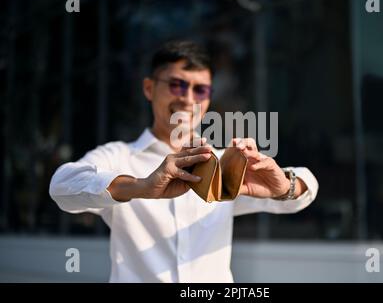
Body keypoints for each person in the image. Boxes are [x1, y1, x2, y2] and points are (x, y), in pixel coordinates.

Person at [49, 40, 319, 282]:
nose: (188, 99)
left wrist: (284, 186)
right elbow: (61, 187)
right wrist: (140, 186)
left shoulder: (226, 162)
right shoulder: (120, 156)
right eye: (177, 85)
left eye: (200, 90)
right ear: (149, 88)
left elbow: (306, 188)